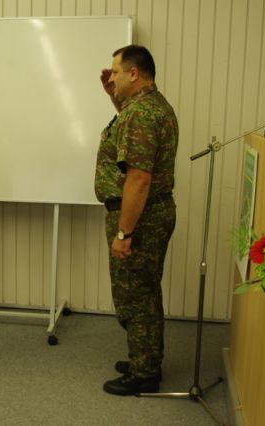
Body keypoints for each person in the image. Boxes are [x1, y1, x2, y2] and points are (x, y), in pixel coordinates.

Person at [94, 45, 178, 395]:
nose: (111, 77)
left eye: (115, 72)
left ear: (133, 73)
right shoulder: (148, 107)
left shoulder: (140, 114)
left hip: (139, 218)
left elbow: (139, 179)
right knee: (144, 290)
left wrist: (124, 232)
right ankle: (146, 358)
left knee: (136, 296)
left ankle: (145, 373)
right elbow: (130, 146)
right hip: (151, 213)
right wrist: (113, 97)